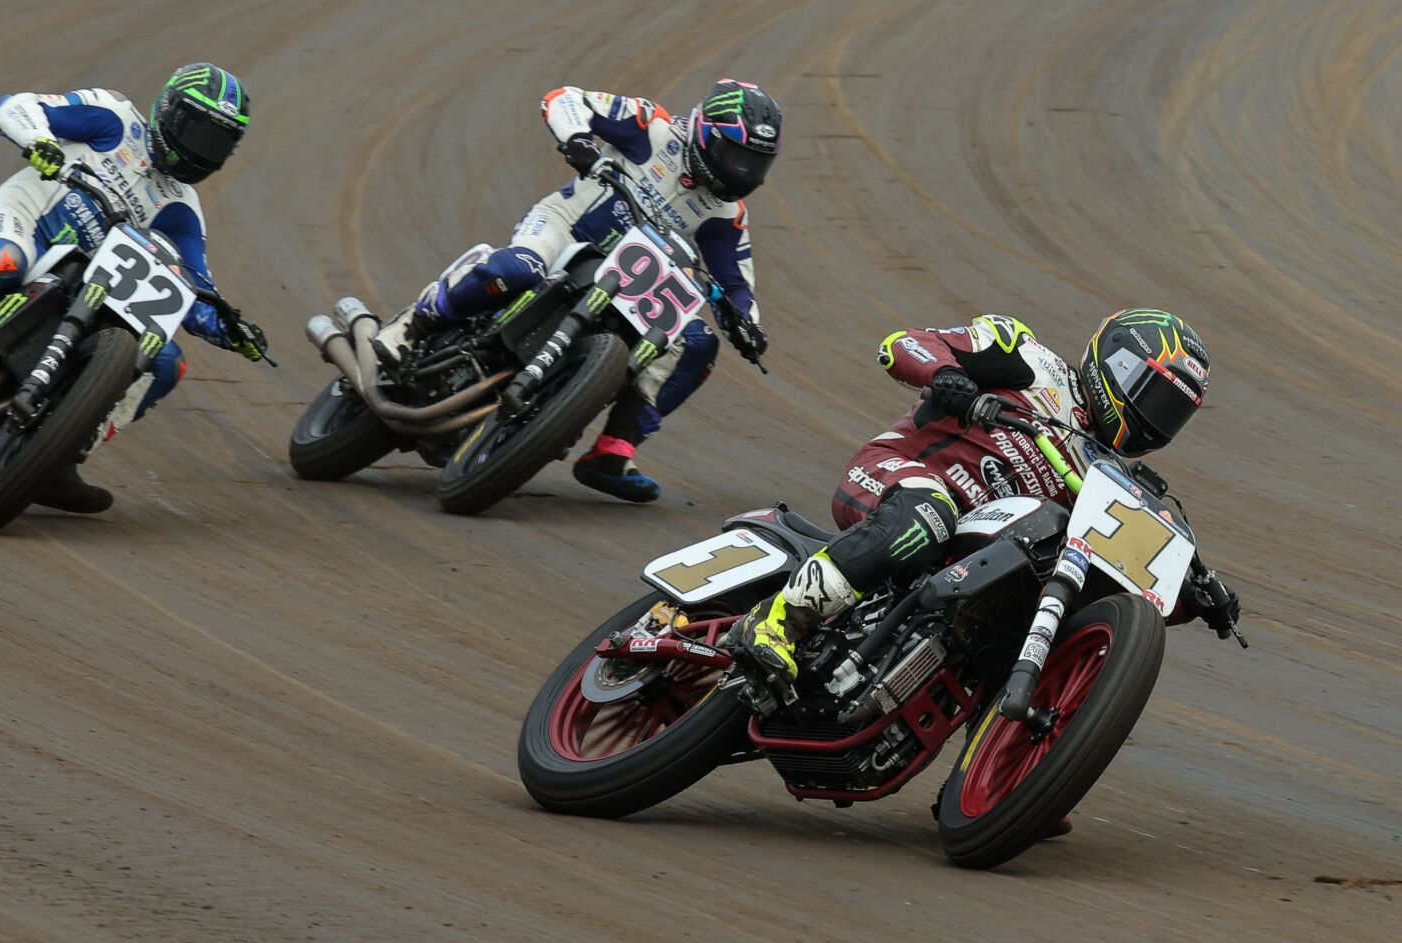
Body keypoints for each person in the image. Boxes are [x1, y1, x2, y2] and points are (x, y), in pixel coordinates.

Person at [723, 309, 1243, 690]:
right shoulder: (1031, 361)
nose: (1157, 417)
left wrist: (1192, 598)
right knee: (929, 518)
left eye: (1173, 410)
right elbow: (906, 343)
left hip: (970, 558)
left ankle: (1016, 774)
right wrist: (949, 378)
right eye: (1154, 395)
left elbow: (1129, 585)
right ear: (1119, 366)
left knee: (1029, 620)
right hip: (906, 474)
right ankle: (780, 617)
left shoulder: (1106, 479)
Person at [0, 63, 265, 512]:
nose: (202, 150)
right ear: (169, 111)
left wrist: (229, 328)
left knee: (166, 365)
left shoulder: (181, 209)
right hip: (22, 222)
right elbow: (17, 106)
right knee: (5, 262)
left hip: (80, 290)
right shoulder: (113, 117)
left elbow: (195, 287)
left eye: (217, 143)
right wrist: (39, 140)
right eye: (198, 132)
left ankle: (61, 454)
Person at [371, 80, 780, 503]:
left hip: (632, 285)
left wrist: (748, 325)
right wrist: (578, 139)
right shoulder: (652, 127)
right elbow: (563, 99)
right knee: (517, 269)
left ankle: (612, 451)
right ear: (703, 134)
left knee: (697, 344)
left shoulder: (728, 212)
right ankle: (416, 323)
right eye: (735, 157)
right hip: (566, 229)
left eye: (755, 163)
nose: (742, 172)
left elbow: (736, 283)